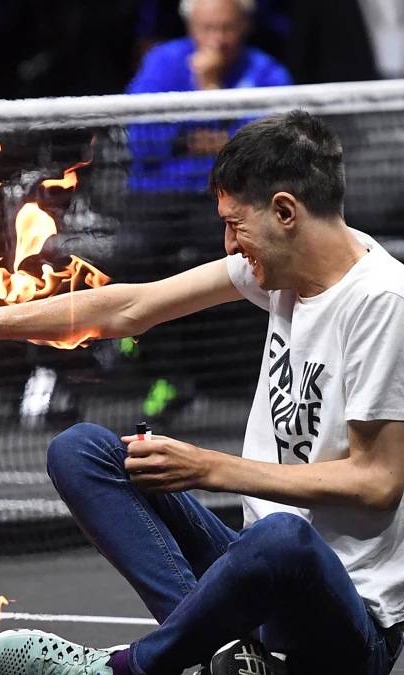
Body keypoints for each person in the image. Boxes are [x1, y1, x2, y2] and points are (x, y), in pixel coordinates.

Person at [0, 110, 404, 675]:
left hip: (344, 626)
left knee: (283, 536)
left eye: (235, 225)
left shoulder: (384, 301)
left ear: (286, 212)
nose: (229, 244)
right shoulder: (282, 270)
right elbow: (128, 307)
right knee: (84, 452)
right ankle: (229, 660)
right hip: (256, 586)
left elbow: (376, 481)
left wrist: (208, 467)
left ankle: (126, 669)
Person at [124, 0, 293, 421]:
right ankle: (165, 375)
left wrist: (209, 92)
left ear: (246, 26)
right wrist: (215, 124)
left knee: (237, 258)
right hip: (157, 197)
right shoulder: (163, 63)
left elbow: (263, 156)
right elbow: (142, 144)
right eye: (207, 28)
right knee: (133, 253)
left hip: (233, 199)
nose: (217, 39)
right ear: (190, 27)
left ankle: (238, 379)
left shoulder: (269, 73)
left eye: (227, 28)